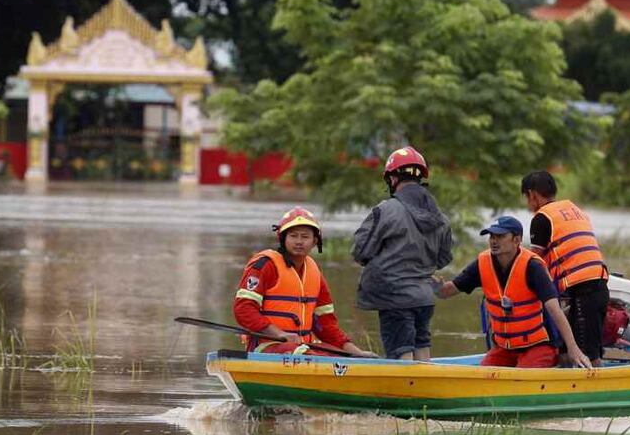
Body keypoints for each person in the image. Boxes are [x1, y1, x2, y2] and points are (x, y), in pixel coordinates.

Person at [434, 216, 592, 369]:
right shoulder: (482, 264)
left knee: (520, 378)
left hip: (538, 347)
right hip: (504, 348)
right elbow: (446, 292)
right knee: (483, 375)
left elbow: (554, 309)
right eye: (491, 236)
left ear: (516, 240)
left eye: (500, 236)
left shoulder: (533, 267)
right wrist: (435, 287)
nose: (493, 241)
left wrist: (573, 348)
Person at [352, 146, 452, 361]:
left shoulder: (385, 210)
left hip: (393, 297)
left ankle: (406, 392)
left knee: (400, 353)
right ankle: (426, 390)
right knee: (421, 347)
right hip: (425, 298)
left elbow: (360, 251)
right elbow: (443, 258)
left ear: (393, 178)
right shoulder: (440, 217)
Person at [233, 207, 375, 357]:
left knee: (343, 356)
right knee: (305, 354)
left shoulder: (315, 272)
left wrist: (356, 352)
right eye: (293, 236)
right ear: (283, 238)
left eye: (305, 237)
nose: (299, 242)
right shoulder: (266, 265)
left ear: (314, 241)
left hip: (302, 346)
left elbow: (325, 325)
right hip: (267, 346)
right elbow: (243, 309)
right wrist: (279, 333)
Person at [521, 170, 611, 367]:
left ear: (533, 195)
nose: (528, 204)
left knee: (587, 355)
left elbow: (533, 262)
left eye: (526, 198)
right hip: (598, 283)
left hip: (583, 289)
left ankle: (598, 392)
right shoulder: (575, 210)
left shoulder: (542, 218)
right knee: (566, 349)